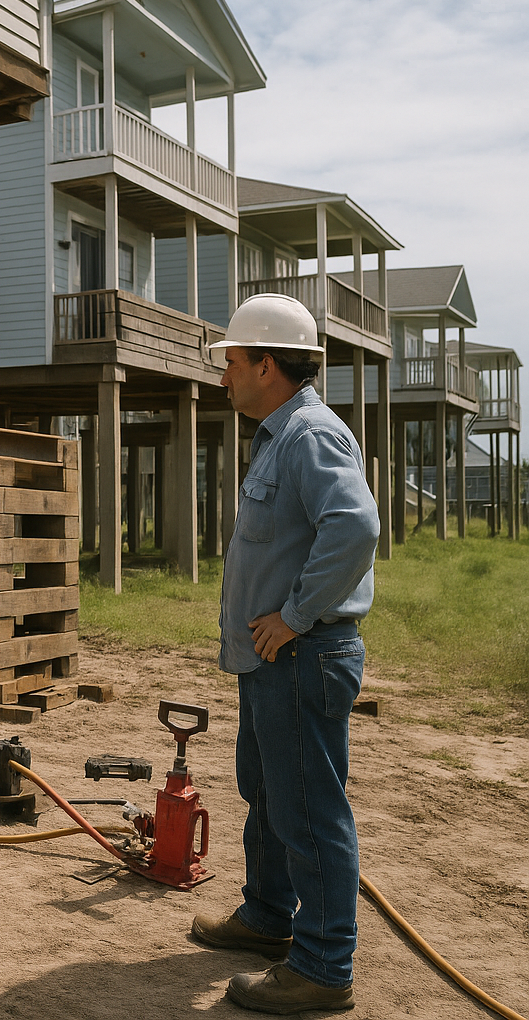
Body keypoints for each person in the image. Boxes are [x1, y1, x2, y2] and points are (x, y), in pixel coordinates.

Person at [191, 294, 379, 1014]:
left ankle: (325, 969)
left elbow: (356, 527)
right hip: (273, 659)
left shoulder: (309, 436)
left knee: (307, 810)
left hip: (302, 655)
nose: (225, 378)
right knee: (268, 793)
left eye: (233, 363)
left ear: (267, 364)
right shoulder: (281, 434)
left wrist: (295, 617)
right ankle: (269, 918)